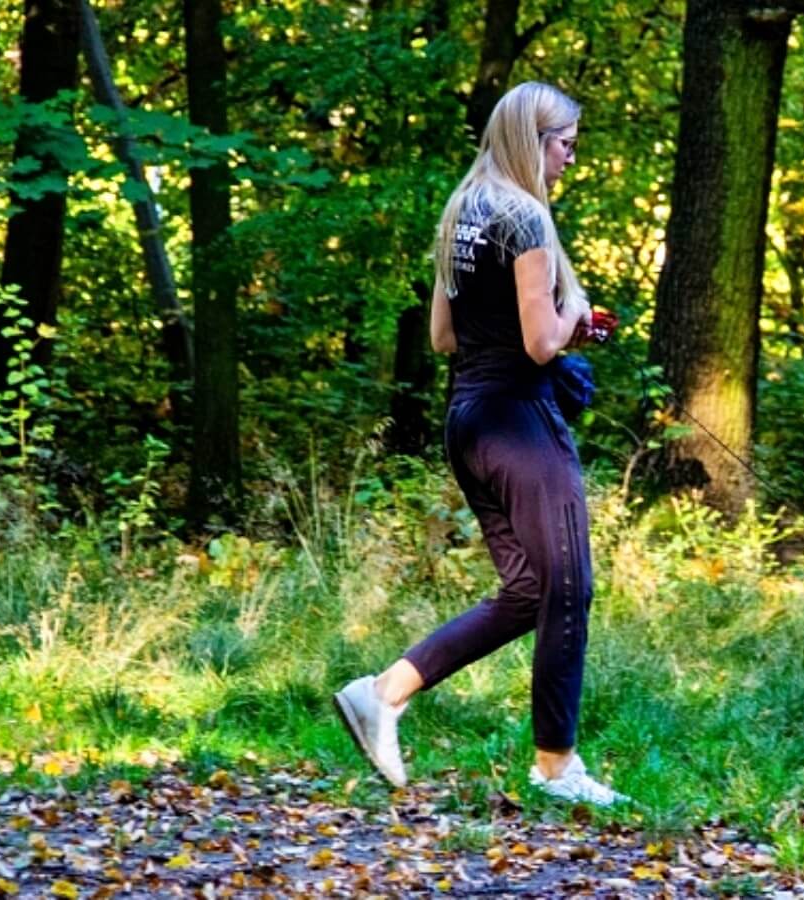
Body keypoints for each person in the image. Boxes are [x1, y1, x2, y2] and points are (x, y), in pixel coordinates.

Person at [333, 82, 626, 806]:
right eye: (565, 145)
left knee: (531, 589)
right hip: (519, 423)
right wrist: (576, 313)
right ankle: (557, 767)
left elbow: (442, 337)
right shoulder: (524, 218)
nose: (569, 160)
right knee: (571, 587)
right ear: (535, 138)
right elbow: (538, 342)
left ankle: (384, 693)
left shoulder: (463, 208)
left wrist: (553, 329)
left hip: (467, 419)